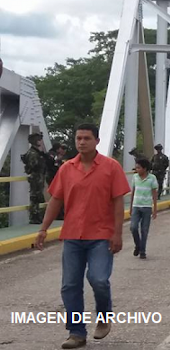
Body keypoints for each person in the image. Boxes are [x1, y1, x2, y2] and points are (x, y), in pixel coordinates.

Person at [34, 124, 130, 349]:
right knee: (69, 285)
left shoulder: (110, 167)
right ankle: (77, 333)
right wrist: (43, 229)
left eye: (87, 138)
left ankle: (104, 317)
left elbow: (118, 202)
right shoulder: (67, 169)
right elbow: (56, 200)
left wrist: (118, 233)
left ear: (97, 141)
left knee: (98, 279)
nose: (82, 142)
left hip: (101, 236)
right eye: (78, 138)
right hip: (73, 236)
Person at [129, 158, 158, 260]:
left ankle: (142, 251)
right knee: (133, 227)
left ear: (145, 168)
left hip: (146, 207)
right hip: (136, 206)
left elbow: (154, 193)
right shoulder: (135, 177)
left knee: (144, 230)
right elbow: (133, 191)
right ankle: (138, 244)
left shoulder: (152, 178)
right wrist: (130, 206)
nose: (136, 169)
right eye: (136, 167)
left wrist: (155, 209)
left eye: (138, 167)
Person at [21, 132, 47, 224]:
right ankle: (34, 217)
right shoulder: (32, 153)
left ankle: (37, 216)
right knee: (34, 197)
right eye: (38, 139)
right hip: (35, 176)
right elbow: (33, 166)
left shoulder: (36, 152)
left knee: (38, 196)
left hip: (38, 176)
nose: (40, 141)